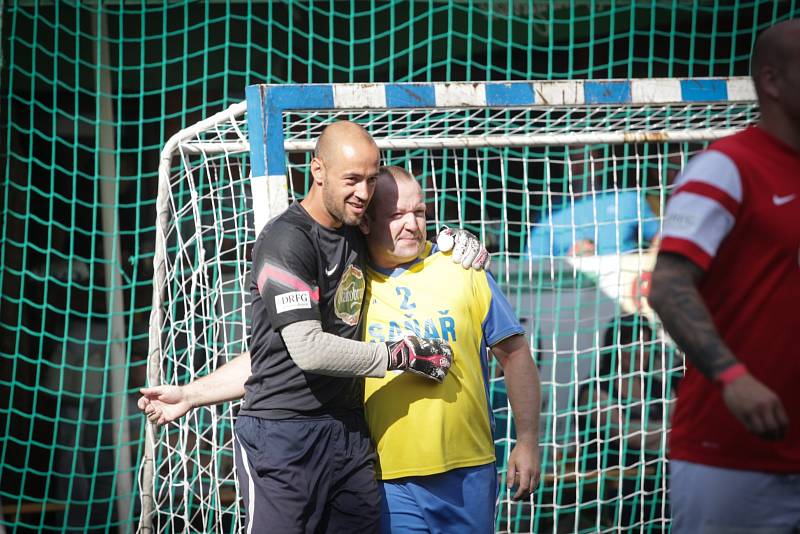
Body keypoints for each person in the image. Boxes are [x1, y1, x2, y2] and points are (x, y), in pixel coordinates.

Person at [138, 121, 487, 533]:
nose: (363, 193)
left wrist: (456, 242)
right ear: (318, 172)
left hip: (349, 436)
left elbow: (406, 228)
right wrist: (400, 355)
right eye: (352, 180)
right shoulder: (285, 242)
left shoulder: (358, 230)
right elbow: (305, 349)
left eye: (371, 180)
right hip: (282, 439)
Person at [649, 19, 800, 533]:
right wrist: (732, 377)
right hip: (732, 455)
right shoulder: (727, 166)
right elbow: (667, 285)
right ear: (774, 81)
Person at [358, 166, 542, 533]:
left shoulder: (464, 268)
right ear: (366, 223)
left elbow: (516, 354)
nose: (411, 224)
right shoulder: (351, 280)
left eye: (420, 212)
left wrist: (527, 440)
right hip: (386, 477)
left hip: (467, 471)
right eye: (396, 215)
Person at [576, 314, 674, 529]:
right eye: (632, 344)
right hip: (613, 490)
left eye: (646, 344)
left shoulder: (660, 387)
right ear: (615, 347)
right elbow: (629, 435)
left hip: (661, 482)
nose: (640, 351)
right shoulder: (595, 390)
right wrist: (671, 432)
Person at [528, 145, 661, 257]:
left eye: (586, 156)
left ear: (600, 161)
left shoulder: (628, 198)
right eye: (571, 157)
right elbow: (533, 265)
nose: (577, 164)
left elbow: (660, 238)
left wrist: (648, 264)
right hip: (570, 285)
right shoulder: (550, 213)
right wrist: (567, 260)